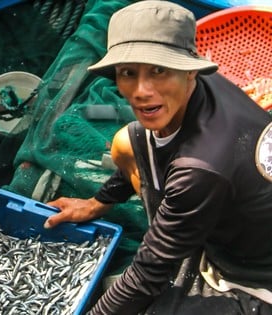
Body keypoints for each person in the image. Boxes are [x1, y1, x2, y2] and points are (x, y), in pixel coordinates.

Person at [43, 1, 272, 314]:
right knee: (126, 140)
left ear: (189, 71)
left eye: (159, 70)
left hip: (254, 275)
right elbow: (142, 143)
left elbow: (145, 279)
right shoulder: (199, 87)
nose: (141, 91)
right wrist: (96, 203)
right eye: (128, 73)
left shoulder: (201, 167)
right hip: (225, 213)